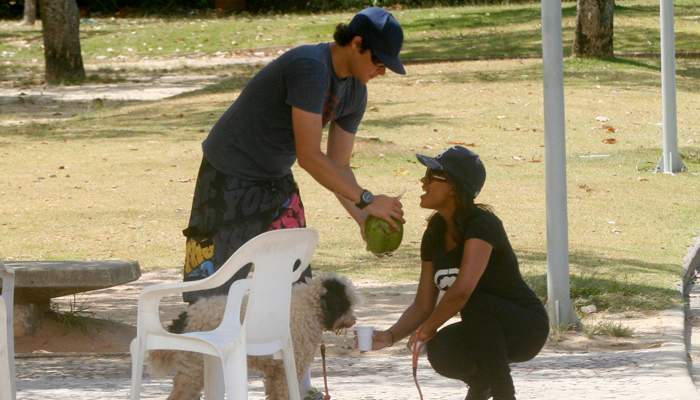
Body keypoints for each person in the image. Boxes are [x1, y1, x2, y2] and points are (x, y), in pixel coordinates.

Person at [182, 7, 406, 303]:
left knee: (295, 289)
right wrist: (367, 199)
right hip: (227, 174)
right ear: (356, 43)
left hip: (275, 180)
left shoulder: (356, 92)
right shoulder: (310, 67)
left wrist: (364, 219)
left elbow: (338, 165)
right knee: (210, 295)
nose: (381, 71)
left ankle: (278, 349)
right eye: (378, 60)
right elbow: (310, 157)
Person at [361, 146, 549, 400]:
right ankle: (481, 385)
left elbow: (462, 292)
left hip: (524, 328)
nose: (423, 181)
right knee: (441, 349)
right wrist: (391, 335)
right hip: (484, 329)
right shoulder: (435, 231)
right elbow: (423, 304)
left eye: (432, 175)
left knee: (475, 303)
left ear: (453, 187)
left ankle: (505, 395)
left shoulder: (483, 224)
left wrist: (428, 328)